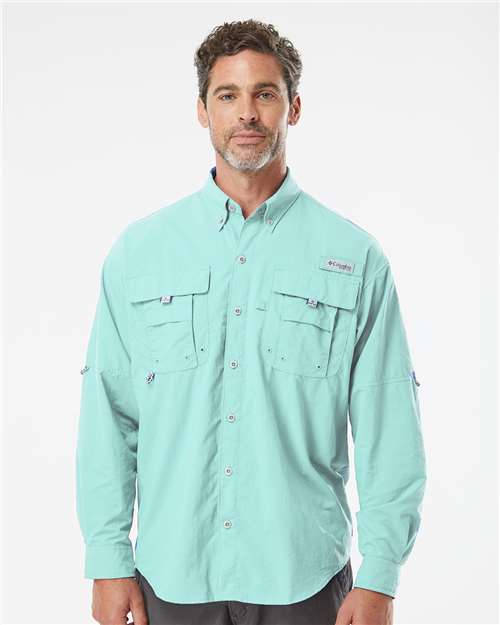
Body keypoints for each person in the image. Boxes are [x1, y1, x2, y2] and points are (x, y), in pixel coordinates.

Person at [76, 18, 427, 625]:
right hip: (172, 576)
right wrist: (107, 559)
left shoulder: (356, 258)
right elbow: (109, 413)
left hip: (305, 579)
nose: (246, 113)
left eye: (265, 93)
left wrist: (381, 576)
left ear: (294, 107)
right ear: (202, 110)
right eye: (227, 95)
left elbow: (388, 424)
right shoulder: (139, 254)